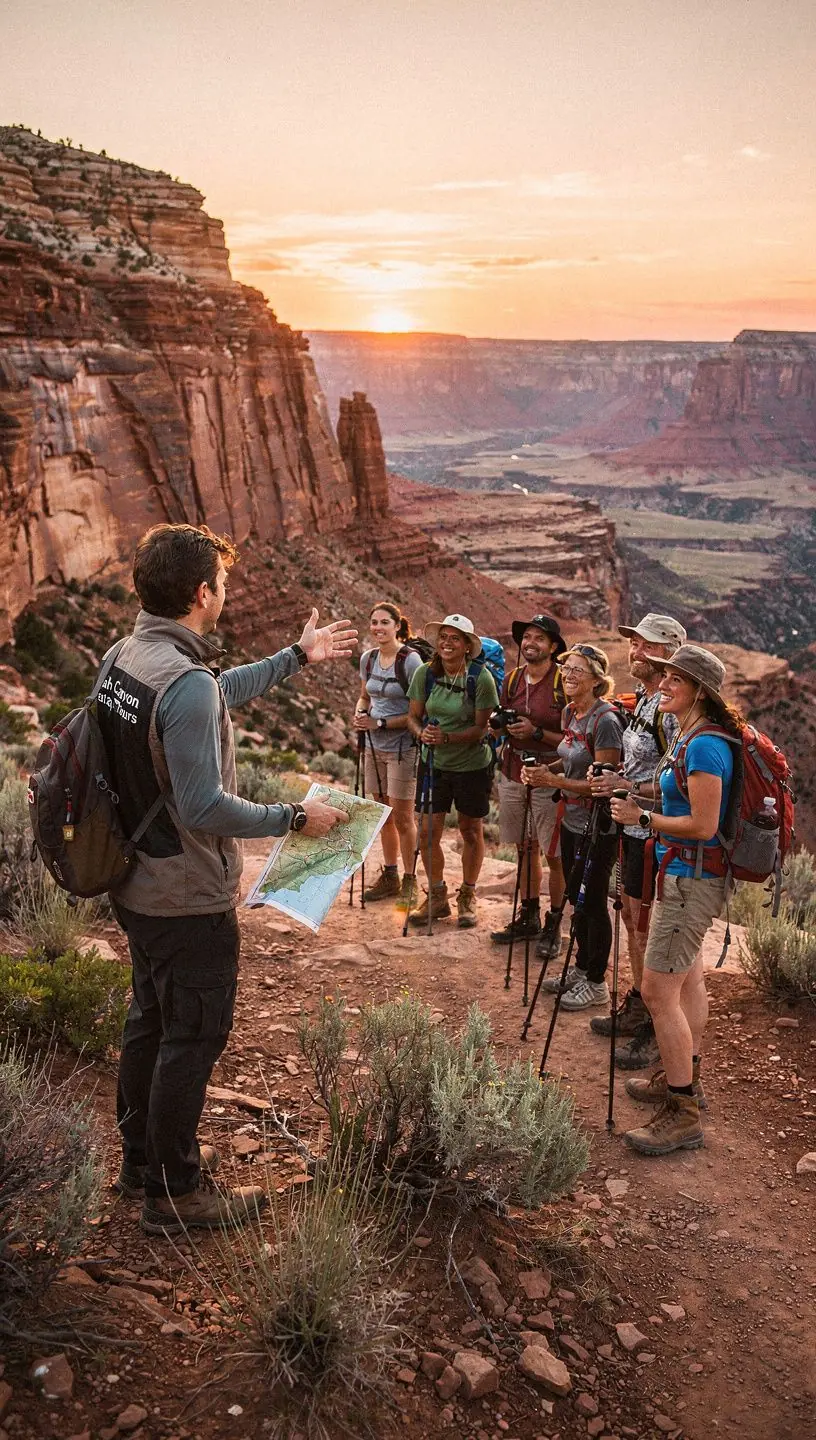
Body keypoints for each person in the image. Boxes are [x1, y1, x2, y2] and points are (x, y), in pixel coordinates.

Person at [102, 523, 355, 1234]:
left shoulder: (126, 656)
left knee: (150, 1023)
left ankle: (137, 1165)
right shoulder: (181, 683)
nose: (229, 591)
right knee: (194, 1035)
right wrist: (292, 817)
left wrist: (294, 659)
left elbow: (210, 695)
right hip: (185, 894)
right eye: (224, 581)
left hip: (136, 882)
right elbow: (203, 804)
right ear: (203, 593)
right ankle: (176, 1195)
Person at [610, 644, 739, 1157]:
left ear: (700, 691)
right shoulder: (689, 733)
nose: (663, 685)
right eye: (664, 677)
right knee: (688, 981)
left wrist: (642, 820)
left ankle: (683, 1112)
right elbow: (680, 803)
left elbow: (704, 825)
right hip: (684, 873)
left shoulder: (705, 745)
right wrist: (639, 800)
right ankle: (684, 1078)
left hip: (690, 878)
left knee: (658, 992)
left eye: (675, 681)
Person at [588, 613, 687, 1068]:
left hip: (655, 835)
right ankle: (638, 1000)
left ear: (669, 653)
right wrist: (615, 779)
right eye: (632, 644)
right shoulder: (646, 699)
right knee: (630, 917)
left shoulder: (669, 708)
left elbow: (675, 783)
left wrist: (630, 791)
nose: (634, 652)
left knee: (646, 926)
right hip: (631, 827)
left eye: (645, 645)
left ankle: (655, 1021)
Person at [521, 643, 624, 1010]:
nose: (568, 676)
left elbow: (603, 784)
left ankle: (597, 982)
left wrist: (554, 783)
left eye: (577, 670)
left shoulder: (606, 722)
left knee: (593, 900)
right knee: (576, 900)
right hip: (573, 821)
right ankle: (581, 967)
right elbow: (571, 761)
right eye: (566, 670)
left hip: (599, 825)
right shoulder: (570, 713)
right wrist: (547, 772)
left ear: (598, 680)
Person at [406, 613, 499, 928]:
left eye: (454, 638)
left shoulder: (480, 678)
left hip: (472, 766)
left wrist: (447, 737)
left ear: (467, 646)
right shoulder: (425, 674)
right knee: (428, 831)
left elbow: (480, 729)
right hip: (433, 763)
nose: (447, 643)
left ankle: (467, 895)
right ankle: (436, 896)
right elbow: (413, 717)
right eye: (443, 637)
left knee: (471, 831)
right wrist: (422, 734)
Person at [490, 614, 566, 958]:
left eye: (539, 638)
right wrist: (501, 728)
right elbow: (502, 719)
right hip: (513, 770)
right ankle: (529, 914)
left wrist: (535, 733)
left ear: (553, 647)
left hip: (551, 774)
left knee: (554, 853)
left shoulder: (563, 683)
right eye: (527, 637)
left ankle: (555, 924)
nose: (530, 643)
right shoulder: (511, 681)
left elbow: (574, 739)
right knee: (523, 848)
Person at [354, 601, 420, 908]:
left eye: (384, 622)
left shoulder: (410, 662)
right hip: (373, 747)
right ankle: (391, 875)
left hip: (402, 749)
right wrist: (359, 714)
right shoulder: (368, 659)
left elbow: (417, 712)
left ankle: (410, 881)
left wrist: (378, 722)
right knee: (383, 816)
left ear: (397, 625)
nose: (378, 627)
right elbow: (365, 696)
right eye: (374, 622)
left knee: (404, 817)